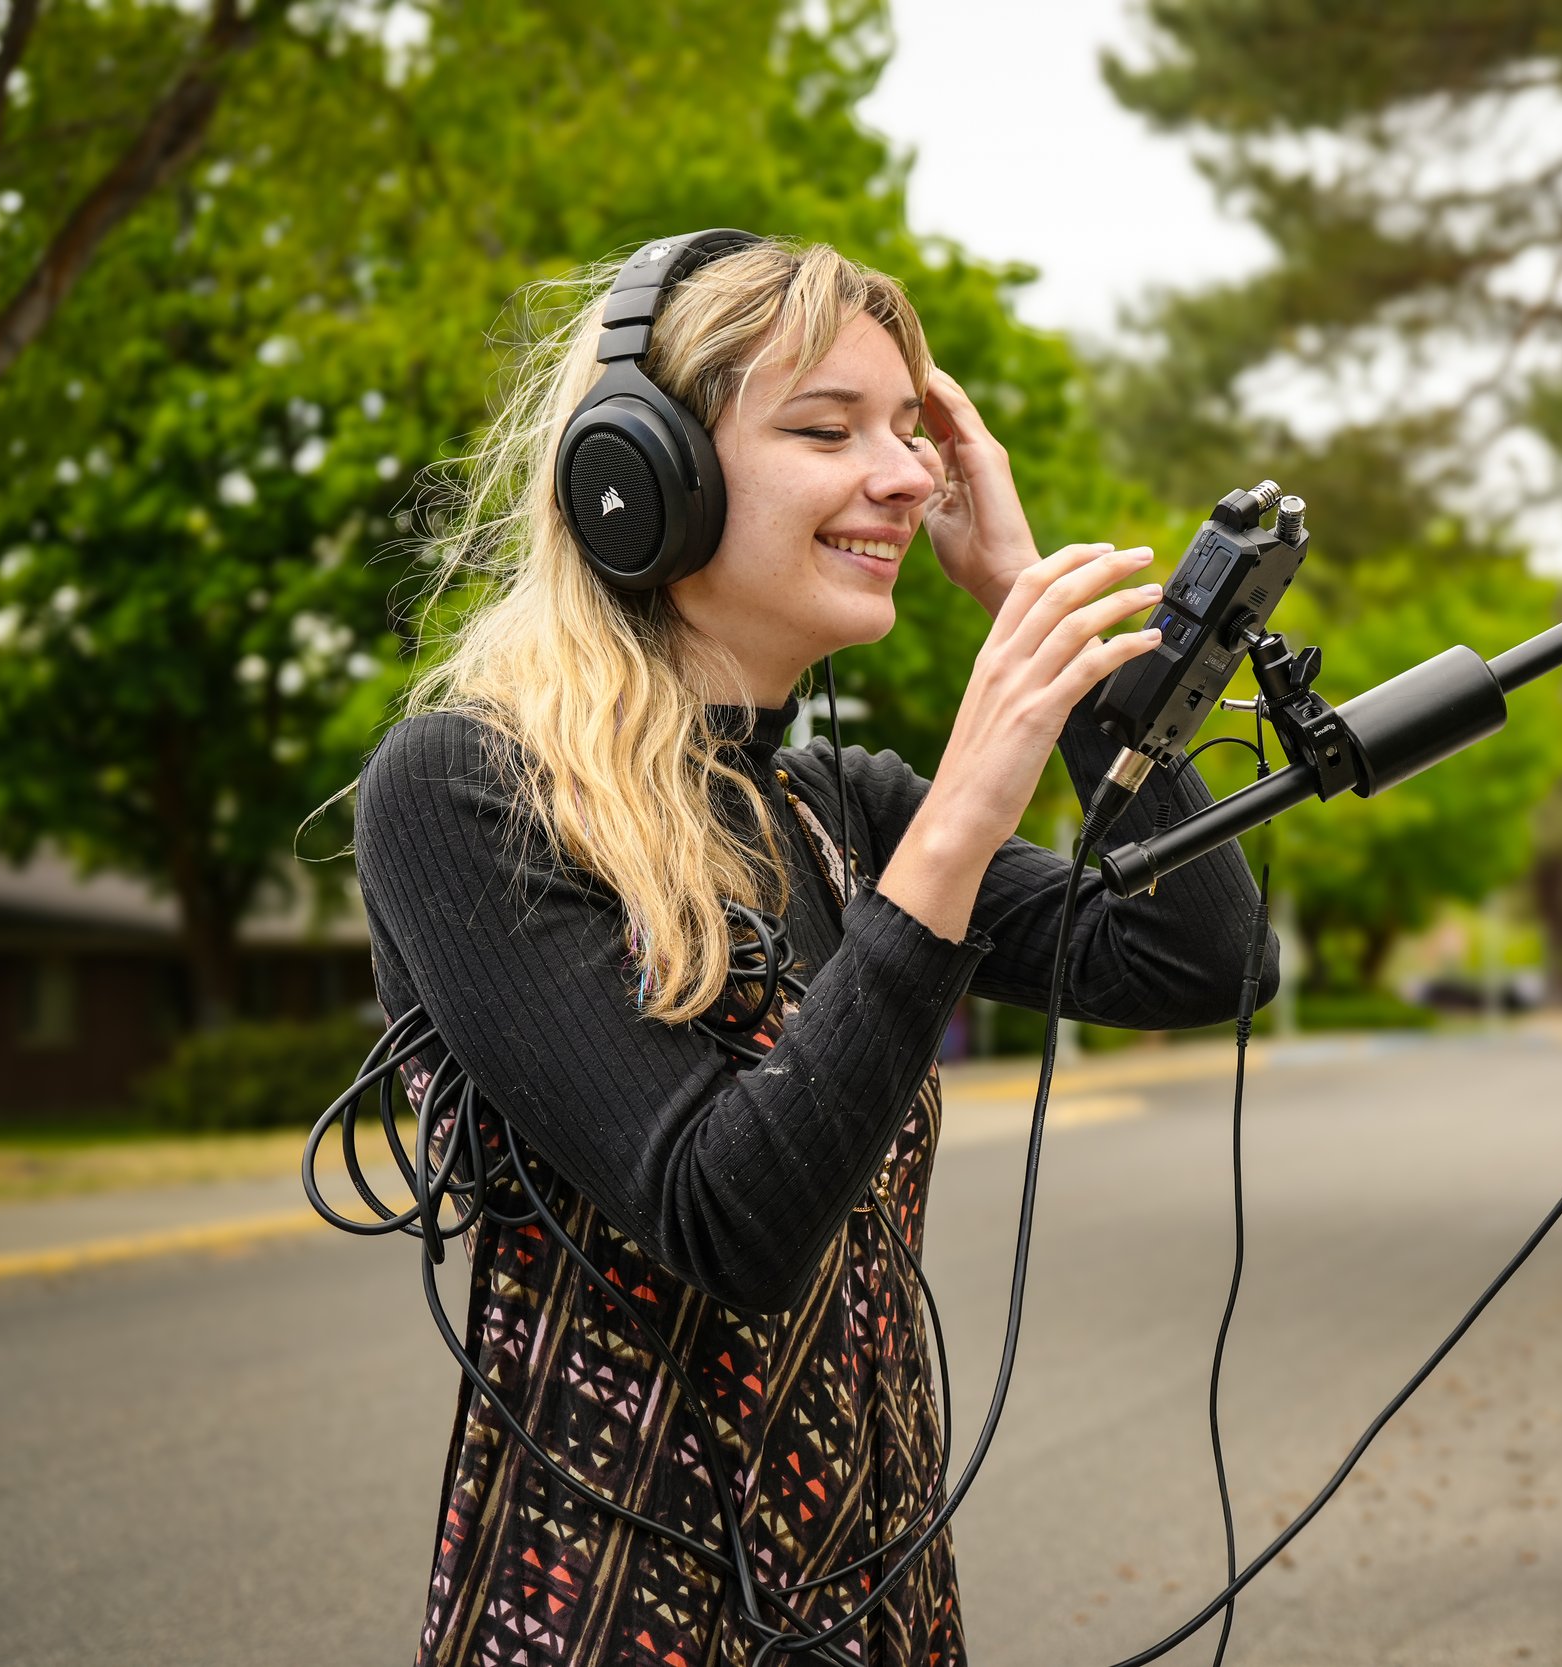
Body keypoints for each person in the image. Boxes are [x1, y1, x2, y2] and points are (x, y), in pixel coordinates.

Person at [352, 234, 1274, 1666]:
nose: (909, 477)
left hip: (873, 1596)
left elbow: (1204, 962)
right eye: (828, 429)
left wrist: (1027, 601)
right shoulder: (466, 789)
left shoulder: (844, 810)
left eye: (912, 432)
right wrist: (971, 804)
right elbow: (731, 1219)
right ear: (643, 477)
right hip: (612, 1614)